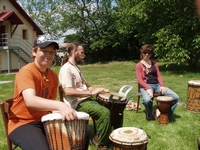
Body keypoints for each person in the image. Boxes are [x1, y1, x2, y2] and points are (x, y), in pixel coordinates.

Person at [8, 34, 78, 150]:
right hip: (22, 124)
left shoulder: (53, 76)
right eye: (44, 51)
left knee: (80, 136)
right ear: (34, 52)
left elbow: (49, 104)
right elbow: (30, 101)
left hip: (44, 121)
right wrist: (60, 105)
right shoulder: (27, 72)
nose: (48, 55)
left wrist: (68, 111)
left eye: (52, 52)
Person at [59, 42, 111, 150]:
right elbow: (68, 91)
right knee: (105, 113)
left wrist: (100, 89)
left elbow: (86, 86)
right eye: (82, 52)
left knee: (112, 104)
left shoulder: (77, 68)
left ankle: (108, 135)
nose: (84, 55)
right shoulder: (66, 69)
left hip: (85, 99)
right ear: (74, 52)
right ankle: (101, 145)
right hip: (76, 103)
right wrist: (90, 93)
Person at [136, 44, 179, 120]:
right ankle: (150, 114)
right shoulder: (139, 65)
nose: (147, 54)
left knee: (175, 97)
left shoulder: (154, 63)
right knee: (147, 100)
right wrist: (147, 88)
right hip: (146, 86)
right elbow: (139, 80)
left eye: (149, 53)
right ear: (142, 52)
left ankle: (166, 115)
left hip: (157, 85)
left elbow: (158, 75)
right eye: (145, 52)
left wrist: (162, 85)